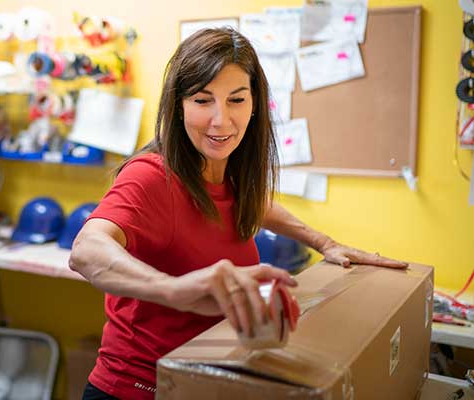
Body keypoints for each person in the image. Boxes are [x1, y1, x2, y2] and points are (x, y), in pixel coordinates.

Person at [68, 27, 407, 400]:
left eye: (236, 99)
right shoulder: (152, 176)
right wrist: (173, 289)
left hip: (203, 382)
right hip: (137, 390)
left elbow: (251, 202)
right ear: (177, 106)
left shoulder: (226, 174)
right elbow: (87, 249)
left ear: (254, 103)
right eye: (202, 100)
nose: (221, 120)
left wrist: (325, 242)